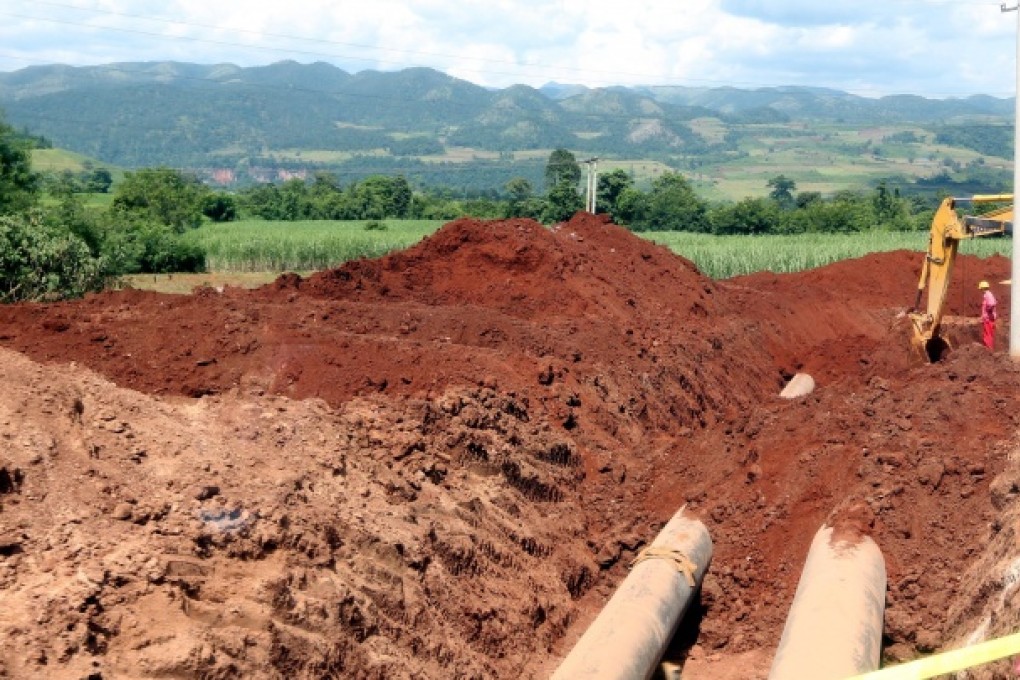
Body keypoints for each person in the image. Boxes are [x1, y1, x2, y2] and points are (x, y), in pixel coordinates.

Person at [979, 280, 997, 350]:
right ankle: (988, 349)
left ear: (982, 288)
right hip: (988, 318)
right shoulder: (988, 294)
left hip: (988, 319)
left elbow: (992, 304)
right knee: (988, 334)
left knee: (988, 334)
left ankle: (988, 349)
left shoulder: (988, 295)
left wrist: (988, 311)